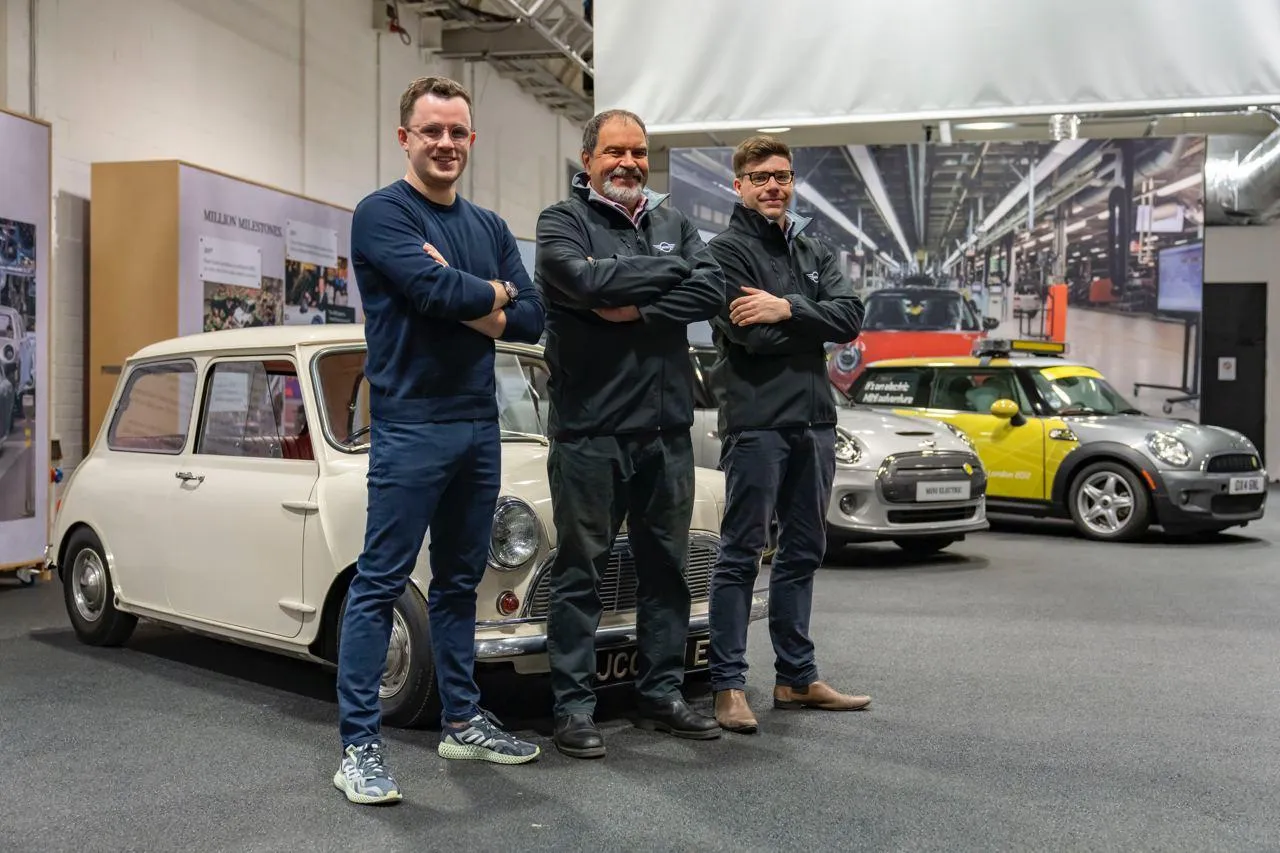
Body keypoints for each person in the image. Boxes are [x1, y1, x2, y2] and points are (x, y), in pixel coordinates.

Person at [333, 75, 546, 805]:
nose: (446, 143)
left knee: (459, 582)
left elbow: (533, 317)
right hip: (411, 424)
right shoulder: (381, 214)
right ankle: (359, 747)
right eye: (432, 131)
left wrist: (472, 290)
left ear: (471, 139)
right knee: (381, 582)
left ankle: (462, 720)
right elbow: (433, 293)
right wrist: (485, 292)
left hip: (478, 426)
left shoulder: (488, 226)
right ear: (405, 138)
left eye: (458, 132)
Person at [534, 109, 727, 759]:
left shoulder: (674, 223)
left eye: (639, 152)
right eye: (615, 151)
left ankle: (660, 694)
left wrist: (633, 305)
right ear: (588, 158)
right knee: (581, 572)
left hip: (667, 431)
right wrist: (665, 276)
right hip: (591, 430)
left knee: (667, 571)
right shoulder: (561, 222)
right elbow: (583, 280)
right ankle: (574, 706)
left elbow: (711, 289)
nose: (629, 163)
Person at [703, 135, 870, 734]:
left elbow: (850, 318)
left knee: (803, 551)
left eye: (782, 175)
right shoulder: (723, 254)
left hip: (815, 421)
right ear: (739, 185)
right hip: (757, 422)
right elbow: (752, 337)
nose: (773, 186)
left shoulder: (813, 247)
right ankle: (727, 685)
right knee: (741, 552)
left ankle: (796, 677)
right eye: (760, 177)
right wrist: (805, 318)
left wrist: (787, 308)